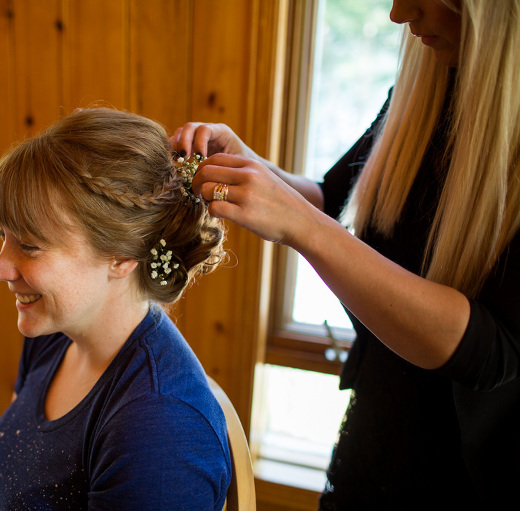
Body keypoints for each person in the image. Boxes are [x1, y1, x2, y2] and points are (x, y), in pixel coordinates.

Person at [171, 0, 520, 509]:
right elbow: (337, 198)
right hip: (377, 440)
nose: (398, 14)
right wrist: (252, 168)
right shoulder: (430, 86)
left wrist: (300, 226)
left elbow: (490, 352)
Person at [0, 107, 231, 510]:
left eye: (30, 246)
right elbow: (5, 480)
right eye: (3, 237)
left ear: (122, 255)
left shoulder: (160, 431)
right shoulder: (54, 334)